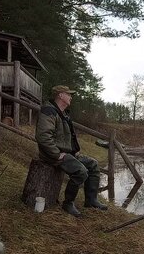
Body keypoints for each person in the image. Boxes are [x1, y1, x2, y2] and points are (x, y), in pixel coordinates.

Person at [35, 85, 107, 217]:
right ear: (61, 96)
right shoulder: (49, 111)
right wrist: (56, 154)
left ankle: (91, 200)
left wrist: (74, 151)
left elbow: (67, 137)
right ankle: (68, 203)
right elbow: (43, 137)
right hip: (51, 155)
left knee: (93, 164)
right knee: (81, 172)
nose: (71, 97)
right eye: (69, 94)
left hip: (66, 153)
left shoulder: (62, 113)